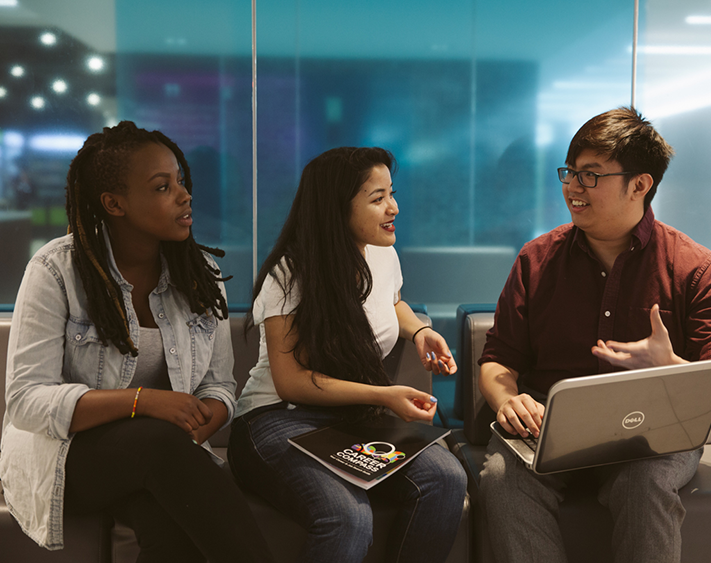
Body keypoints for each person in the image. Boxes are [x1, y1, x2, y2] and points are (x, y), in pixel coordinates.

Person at [478, 107, 711, 563]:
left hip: (654, 436)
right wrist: (507, 399)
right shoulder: (536, 259)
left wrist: (672, 367)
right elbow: (498, 358)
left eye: (590, 176)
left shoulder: (694, 268)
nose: (572, 188)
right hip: (547, 428)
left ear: (640, 184)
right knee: (503, 478)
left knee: (645, 483)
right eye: (570, 172)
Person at [0, 121, 274, 562]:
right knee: (157, 442)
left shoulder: (200, 277)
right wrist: (142, 402)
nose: (184, 196)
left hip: (161, 459)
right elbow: (26, 401)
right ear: (114, 203)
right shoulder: (57, 270)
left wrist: (202, 421)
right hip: (66, 459)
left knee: (170, 530)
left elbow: (220, 386)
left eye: (180, 182)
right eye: (163, 187)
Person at [228, 147, 467, 563]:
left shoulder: (381, 253)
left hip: (350, 419)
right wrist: (383, 396)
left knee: (447, 478)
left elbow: (391, 302)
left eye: (391, 193)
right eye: (377, 199)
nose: (393, 207)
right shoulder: (290, 273)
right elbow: (292, 381)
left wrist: (421, 331)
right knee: (346, 515)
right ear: (336, 208)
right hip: (275, 418)